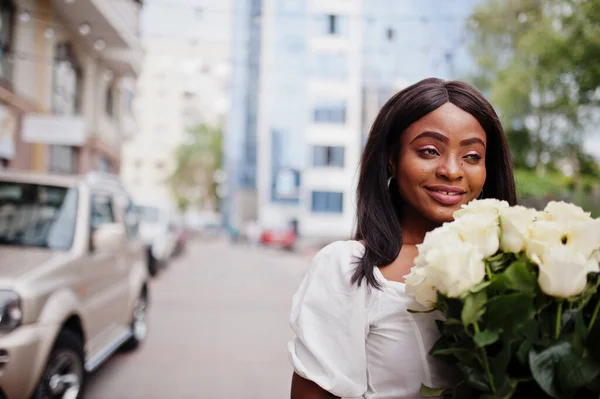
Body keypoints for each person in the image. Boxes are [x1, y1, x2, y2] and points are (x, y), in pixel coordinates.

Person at [288, 78, 517, 399]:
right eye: (429, 151)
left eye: (471, 156)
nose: (451, 170)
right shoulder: (348, 269)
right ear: (392, 158)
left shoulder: (516, 266)